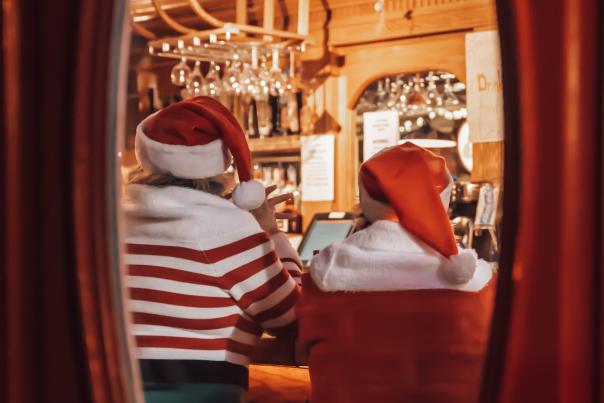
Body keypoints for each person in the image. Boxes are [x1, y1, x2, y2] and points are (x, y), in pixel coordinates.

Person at [122, 96, 303, 403]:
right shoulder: (228, 228)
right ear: (222, 163)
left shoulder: (112, 220)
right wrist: (271, 232)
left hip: (114, 384)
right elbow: (291, 316)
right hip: (197, 391)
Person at [296, 143, 496, 403]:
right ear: (443, 198)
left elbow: (301, 352)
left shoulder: (323, 275)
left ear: (365, 196)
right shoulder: (481, 283)